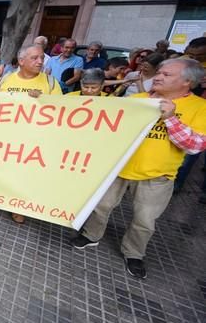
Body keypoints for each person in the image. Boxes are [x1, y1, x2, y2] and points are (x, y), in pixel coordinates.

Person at [71, 58, 206, 279]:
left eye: (167, 74)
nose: (159, 76)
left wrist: (171, 119)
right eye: (160, 72)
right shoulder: (137, 99)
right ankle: (91, 235)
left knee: (145, 220)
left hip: (157, 176)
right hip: (118, 169)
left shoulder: (200, 108)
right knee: (100, 206)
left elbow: (195, 146)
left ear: (187, 82)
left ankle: (134, 253)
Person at [0, 45, 61, 224]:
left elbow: (61, 111)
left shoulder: (50, 83)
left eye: (41, 58)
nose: (40, 62)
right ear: (21, 61)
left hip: (32, 140)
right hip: (4, 136)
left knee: (23, 174)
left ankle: (18, 206)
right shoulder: (5, 79)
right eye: (35, 58)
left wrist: (42, 101)